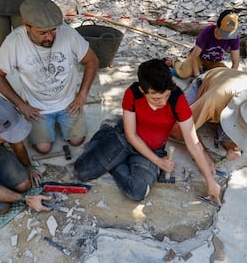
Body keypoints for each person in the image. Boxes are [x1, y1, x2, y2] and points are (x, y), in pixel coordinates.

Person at [75, 59, 221, 205]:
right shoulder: (132, 93)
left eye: (166, 95)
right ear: (142, 90)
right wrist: (159, 162)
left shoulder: (177, 99)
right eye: (156, 98)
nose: (163, 103)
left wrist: (211, 182)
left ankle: (113, 159)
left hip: (153, 148)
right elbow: (131, 135)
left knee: (137, 191)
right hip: (125, 139)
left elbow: (193, 143)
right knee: (82, 172)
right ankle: (107, 134)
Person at [0, 0, 99, 154]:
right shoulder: (13, 42)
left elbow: (92, 60)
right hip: (37, 106)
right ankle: (48, 125)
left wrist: (82, 95)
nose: (49, 37)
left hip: (68, 101)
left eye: (53, 30)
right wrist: (21, 105)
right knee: (43, 148)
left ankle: (58, 123)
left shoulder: (67, 33)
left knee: (77, 141)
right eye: (42, 33)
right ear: (26, 26)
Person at [170, 67, 247, 161]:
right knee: (172, 122)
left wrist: (234, 147)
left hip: (235, 87)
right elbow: (178, 130)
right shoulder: (216, 98)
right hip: (209, 82)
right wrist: (204, 157)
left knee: (231, 143)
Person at [166, 10, 240, 79]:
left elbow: (235, 62)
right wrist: (197, 76)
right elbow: (195, 56)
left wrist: (229, 78)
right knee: (184, 73)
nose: (227, 36)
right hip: (198, 58)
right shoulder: (207, 33)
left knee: (223, 76)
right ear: (218, 26)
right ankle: (174, 62)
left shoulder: (233, 36)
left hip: (215, 62)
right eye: (225, 32)